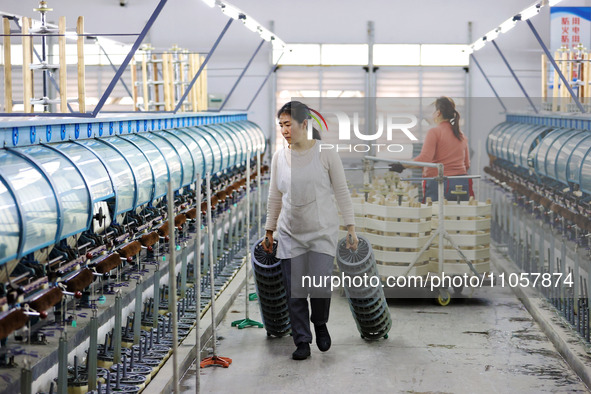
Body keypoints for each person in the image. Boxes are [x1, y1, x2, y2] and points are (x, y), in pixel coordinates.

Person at [263, 100, 358, 360]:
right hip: (290, 233)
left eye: (288, 124)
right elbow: (275, 196)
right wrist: (269, 229)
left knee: (319, 286)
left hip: (321, 233)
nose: (284, 130)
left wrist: (350, 227)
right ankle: (302, 341)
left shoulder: (326, 152)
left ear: (304, 124)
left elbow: (341, 191)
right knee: (295, 293)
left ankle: (320, 324)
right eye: (281, 125)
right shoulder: (279, 157)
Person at [389, 96, 473, 202]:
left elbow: (425, 159)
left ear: (438, 113)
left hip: (440, 184)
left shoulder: (434, 132)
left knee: (436, 216)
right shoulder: (461, 135)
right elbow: (467, 165)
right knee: (458, 216)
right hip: (462, 183)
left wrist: (401, 165)